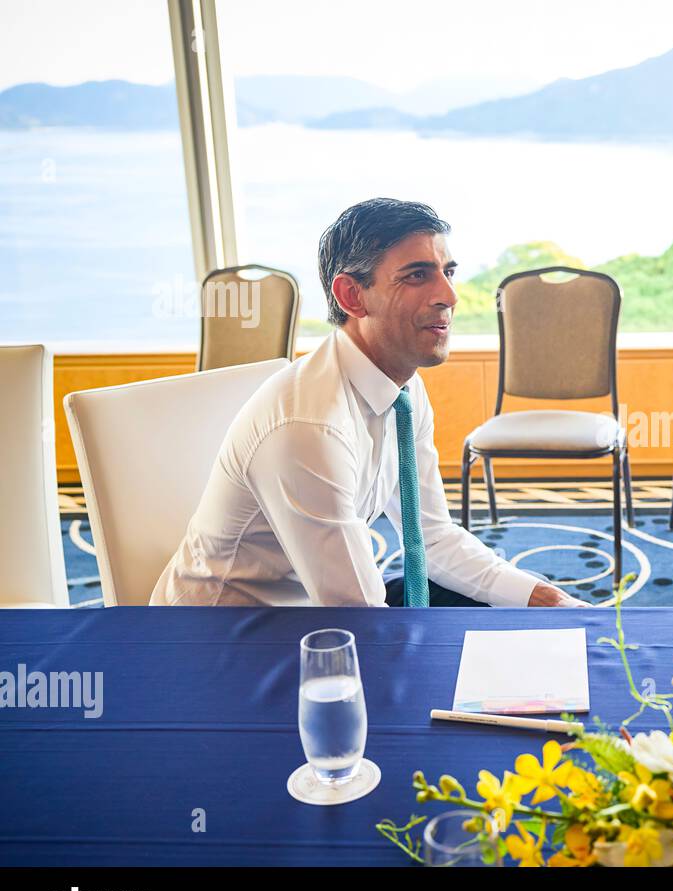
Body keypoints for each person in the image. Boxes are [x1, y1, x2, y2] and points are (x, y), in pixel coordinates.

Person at [151, 198, 581, 608]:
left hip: (314, 603)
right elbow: (359, 613)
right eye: (417, 275)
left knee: (508, 607)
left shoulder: (402, 388)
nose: (448, 295)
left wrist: (550, 599)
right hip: (231, 635)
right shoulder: (308, 427)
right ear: (352, 296)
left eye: (448, 271)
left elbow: (429, 537)